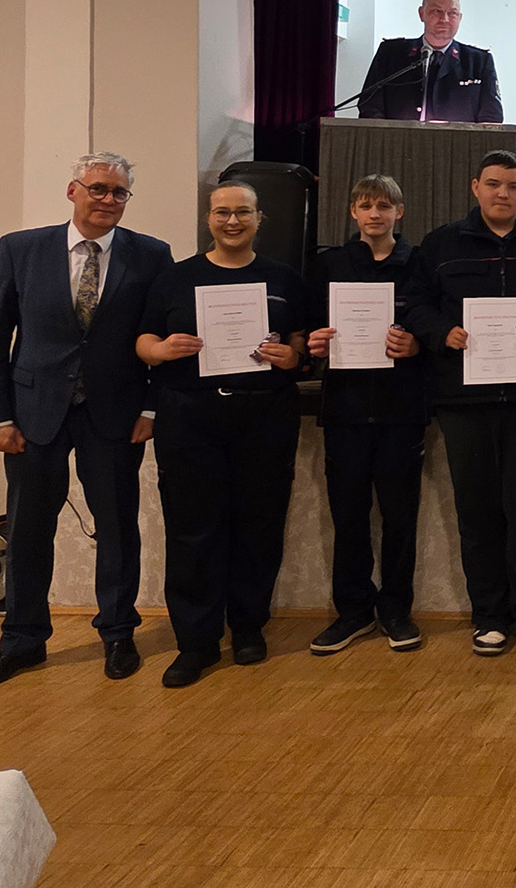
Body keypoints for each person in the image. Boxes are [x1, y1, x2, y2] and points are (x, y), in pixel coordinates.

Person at [0, 153, 174, 689]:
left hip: (116, 414)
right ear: (73, 190)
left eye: (119, 192)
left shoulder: (152, 255)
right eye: (98, 188)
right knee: (28, 529)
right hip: (32, 413)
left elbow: (159, 333)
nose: (108, 199)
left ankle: (118, 633)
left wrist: (150, 408)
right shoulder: (20, 249)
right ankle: (23, 640)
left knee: (117, 527)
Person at [403, 150, 516, 659]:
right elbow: (414, 303)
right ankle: (490, 617)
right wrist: (442, 331)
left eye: (514, 186)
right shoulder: (441, 244)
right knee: (477, 512)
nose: (504, 194)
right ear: (475, 187)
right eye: (494, 184)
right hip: (464, 400)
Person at [136, 181, 309, 688]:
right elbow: (143, 339)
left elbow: (300, 341)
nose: (232, 221)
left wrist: (293, 356)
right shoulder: (175, 278)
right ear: (208, 218)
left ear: (259, 218)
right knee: (192, 529)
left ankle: (249, 628)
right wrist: (161, 351)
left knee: (259, 525)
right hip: (190, 417)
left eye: (243, 212)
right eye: (222, 212)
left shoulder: (284, 278)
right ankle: (196, 642)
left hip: (265, 417)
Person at [303, 174, 430, 656]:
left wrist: (417, 345)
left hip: (402, 410)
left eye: (384, 206)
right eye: (365, 205)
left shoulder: (419, 264)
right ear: (352, 212)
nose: (374, 214)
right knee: (349, 516)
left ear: (400, 212)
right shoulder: (328, 265)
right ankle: (353, 611)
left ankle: (396, 610)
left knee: (399, 518)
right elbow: (308, 330)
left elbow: (434, 326)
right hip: (345, 410)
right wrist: (314, 344)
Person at [357, 0, 504, 123]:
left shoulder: (478, 62)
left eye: (452, 13)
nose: (444, 19)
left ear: (460, 18)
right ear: (422, 14)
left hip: (457, 142)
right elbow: (370, 108)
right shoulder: (391, 54)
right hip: (397, 141)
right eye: (436, 11)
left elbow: (491, 118)